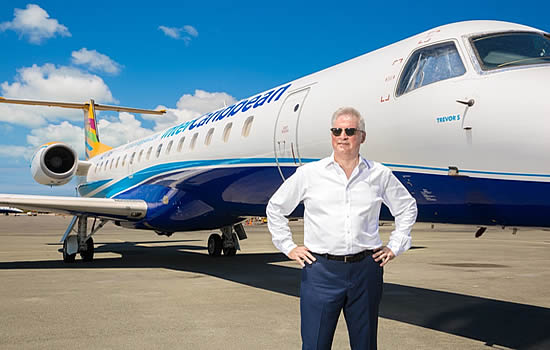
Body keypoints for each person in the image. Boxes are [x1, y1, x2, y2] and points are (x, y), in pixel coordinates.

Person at [266, 107, 417, 350]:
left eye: (350, 130)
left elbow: (407, 207)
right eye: (337, 130)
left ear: (362, 136)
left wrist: (395, 246)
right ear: (331, 135)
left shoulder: (379, 174)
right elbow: (275, 208)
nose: (343, 136)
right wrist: (289, 247)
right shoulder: (310, 174)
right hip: (320, 271)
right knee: (315, 344)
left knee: (365, 344)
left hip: (366, 271)